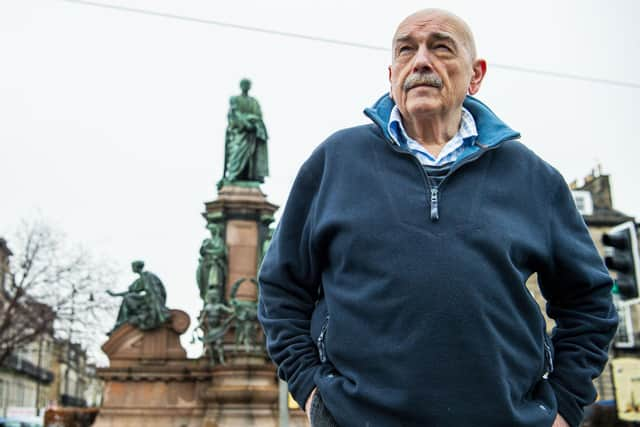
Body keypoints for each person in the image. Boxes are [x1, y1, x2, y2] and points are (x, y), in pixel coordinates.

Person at [258, 8, 618, 427]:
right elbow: (281, 289)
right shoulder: (335, 162)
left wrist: (564, 405)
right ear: (391, 74)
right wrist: (312, 389)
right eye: (406, 50)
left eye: (441, 47)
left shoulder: (532, 177)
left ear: (475, 75)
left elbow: (590, 302)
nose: (421, 61)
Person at [222, 78, 269, 184]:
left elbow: (258, 116)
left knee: (251, 158)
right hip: (239, 133)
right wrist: (245, 123)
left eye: (248, 84)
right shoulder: (234, 99)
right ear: (241, 86)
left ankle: (250, 177)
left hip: (252, 134)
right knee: (237, 154)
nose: (246, 86)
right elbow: (233, 115)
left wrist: (253, 122)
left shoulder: (254, 102)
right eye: (244, 84)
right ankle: (234, 175)